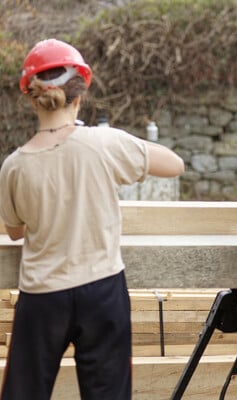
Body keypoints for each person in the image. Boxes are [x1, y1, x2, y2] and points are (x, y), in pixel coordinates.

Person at [0, 38, 184, 400]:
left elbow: (15, 231)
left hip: (42, 298)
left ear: (30, 97)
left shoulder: (15, 167)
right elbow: (174, 164)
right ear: (79, 94)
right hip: (102, 291)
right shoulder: (105, 143)